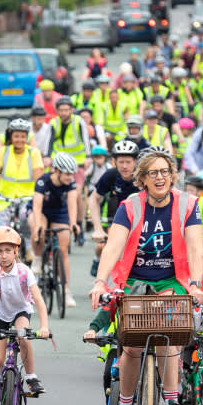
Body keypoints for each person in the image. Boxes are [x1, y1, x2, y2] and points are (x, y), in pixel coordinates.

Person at [89, 148, 203, 405]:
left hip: (175, 279)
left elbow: (195, 248)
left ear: (173, 176)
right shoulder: (129, 206)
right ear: (142, 178)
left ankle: (170, 400)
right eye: (153, 173)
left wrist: (195, 283)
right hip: (133, 280)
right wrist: (100, 282)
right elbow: (114, 246)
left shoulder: (188, 204)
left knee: (169, 331)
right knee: (132, 345)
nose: (160, 178)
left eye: (165, 172)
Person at [0, 227, 51, 405]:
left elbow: (39, 300)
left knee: (22, 335)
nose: (4, 255)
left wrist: (44, 326)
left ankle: (32, 377)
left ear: (16, 251)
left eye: (8, 250)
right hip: (0, 313)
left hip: (21, 311)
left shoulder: (24, 272)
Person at [31, 152, 80, 307]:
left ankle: (65, 291)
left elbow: (72, 203)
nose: (69, 177)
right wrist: (38, 224)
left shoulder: (70, 183)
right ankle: (38, 258)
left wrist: (73, 223)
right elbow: (37, 206)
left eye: (72, 174)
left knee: (63, 248)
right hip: (42, 212)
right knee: (39, 228)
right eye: (66, 174)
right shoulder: (43, 181)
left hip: (59, 213)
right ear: (57, 171)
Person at [89, 139, 141, 277]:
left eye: (128, 162)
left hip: (141, 221)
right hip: (118, 218)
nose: (124, 166)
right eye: (121, 162)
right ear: (114, 162)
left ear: (136, 162)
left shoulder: (143, 176)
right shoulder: (111, 175)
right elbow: (93, 199)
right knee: (105, 248)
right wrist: (97, 228)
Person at [48, 96, 91, 245]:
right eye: (61, 110)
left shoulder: (78, 122)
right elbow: (49, 142)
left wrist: (88, 157)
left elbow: (85, 139)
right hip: (58, 164)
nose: (64, 112)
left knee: (77, 194)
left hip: (77, 163)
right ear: (57, 111)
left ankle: (78, 226)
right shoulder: (53, 123)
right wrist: (47, 157)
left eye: (67, 110)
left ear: (71, 110)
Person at [0, 117, 45, 228]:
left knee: (26, 222)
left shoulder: (33, 153)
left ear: (27, 137)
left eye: (23, 137)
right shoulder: (2, 152)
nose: (19, 140)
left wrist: (39, 198)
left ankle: (28, 244)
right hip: (5, 199)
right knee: (3, 229)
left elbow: (39, 180)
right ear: (11, 137)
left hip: (27, 198)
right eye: (16, 136)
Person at [185, 174, 203, 277]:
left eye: (192, 190)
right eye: (187, 190)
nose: (188, 193)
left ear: (199, 192)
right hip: (187, 231)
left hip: (202, 230)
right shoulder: (183, 201)